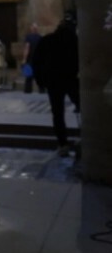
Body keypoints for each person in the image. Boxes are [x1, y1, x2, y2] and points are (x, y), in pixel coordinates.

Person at [31, 13, 80, 157]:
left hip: (53, 81)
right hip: (70, 79)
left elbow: (36, 62)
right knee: (81, 106)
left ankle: (62, 143)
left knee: (57, 113)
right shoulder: (73, 40)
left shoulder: (47, 40)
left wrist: (40, 81)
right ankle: (86, 137)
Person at [22, 23, 42, 93]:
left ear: (31, 29)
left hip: (30, 58)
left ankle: (28, 90)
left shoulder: (28, 37)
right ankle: (41, 89)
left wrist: (24, 58)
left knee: (29, 74)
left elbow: (27, 47)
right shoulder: (40, 37)